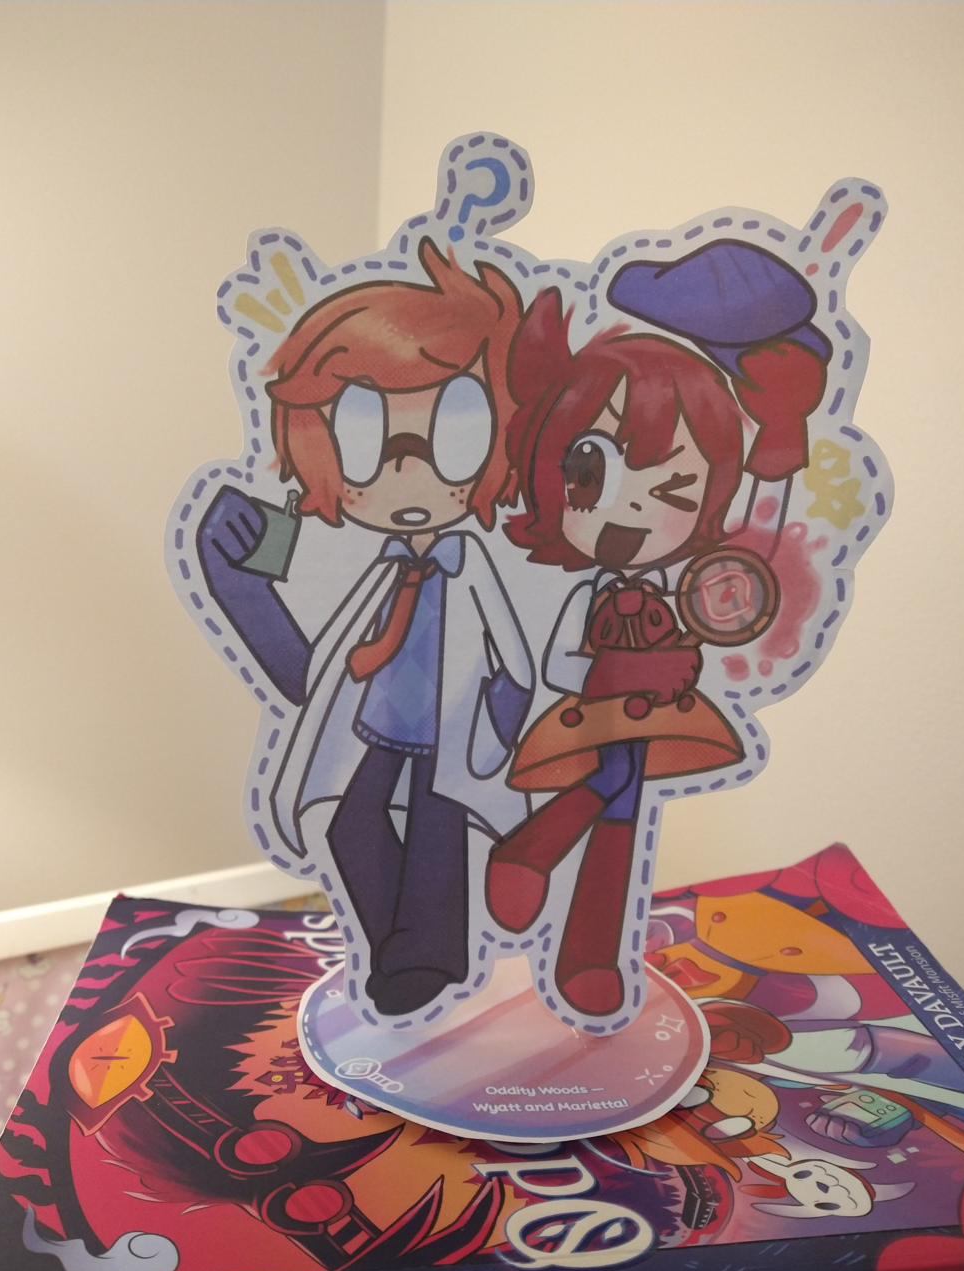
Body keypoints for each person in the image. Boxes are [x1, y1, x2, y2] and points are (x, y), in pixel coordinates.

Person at [197, 239, 534, 1017]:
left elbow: (514, 654)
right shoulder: (378, 572)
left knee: (441, 835)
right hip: (379, 721)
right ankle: (401, 951)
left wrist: (501, 722)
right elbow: (319, 672)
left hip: (453, 726)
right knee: (351, 824)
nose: (407, 469)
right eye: (362, 438)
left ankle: (426, 960)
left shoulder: (468, 564)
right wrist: (237, 583)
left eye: (454, 433)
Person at [486, 284, 826, 1017]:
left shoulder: (683, 586)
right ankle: (532, 855)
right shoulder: (585, 595)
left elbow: (752, 562)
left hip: (659, 722)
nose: (632, 510)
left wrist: (780, 437)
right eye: (591, 475)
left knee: (622, 830)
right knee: (614, 785)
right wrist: (617, 672)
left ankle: (585, 952)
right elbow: (558, 667)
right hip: (594, 724)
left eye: (672, 489)